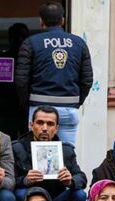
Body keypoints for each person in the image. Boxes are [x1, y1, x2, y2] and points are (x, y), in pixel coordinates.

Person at [15, 1, 92, 145]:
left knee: (39, 157)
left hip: (39, 110)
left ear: (41, 21)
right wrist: (75, 102)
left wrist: (28, 105)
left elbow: (21, 80)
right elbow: (87, 80)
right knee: (67, 155)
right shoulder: (79, 43)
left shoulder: (31, 43)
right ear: (63, 20)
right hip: (69, 108)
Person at [12, 106, 87, 201]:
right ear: (31, 125)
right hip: (29, 200)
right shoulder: (17, 148)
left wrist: (70, 181)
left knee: (80, 195)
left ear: (56, 128)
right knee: (20, 194)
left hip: (56, 200)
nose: (45, 128)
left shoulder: (65, 150)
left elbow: (81, 177)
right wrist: (25, 180)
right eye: (40, 123)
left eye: (50, 124)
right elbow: (9, 179)